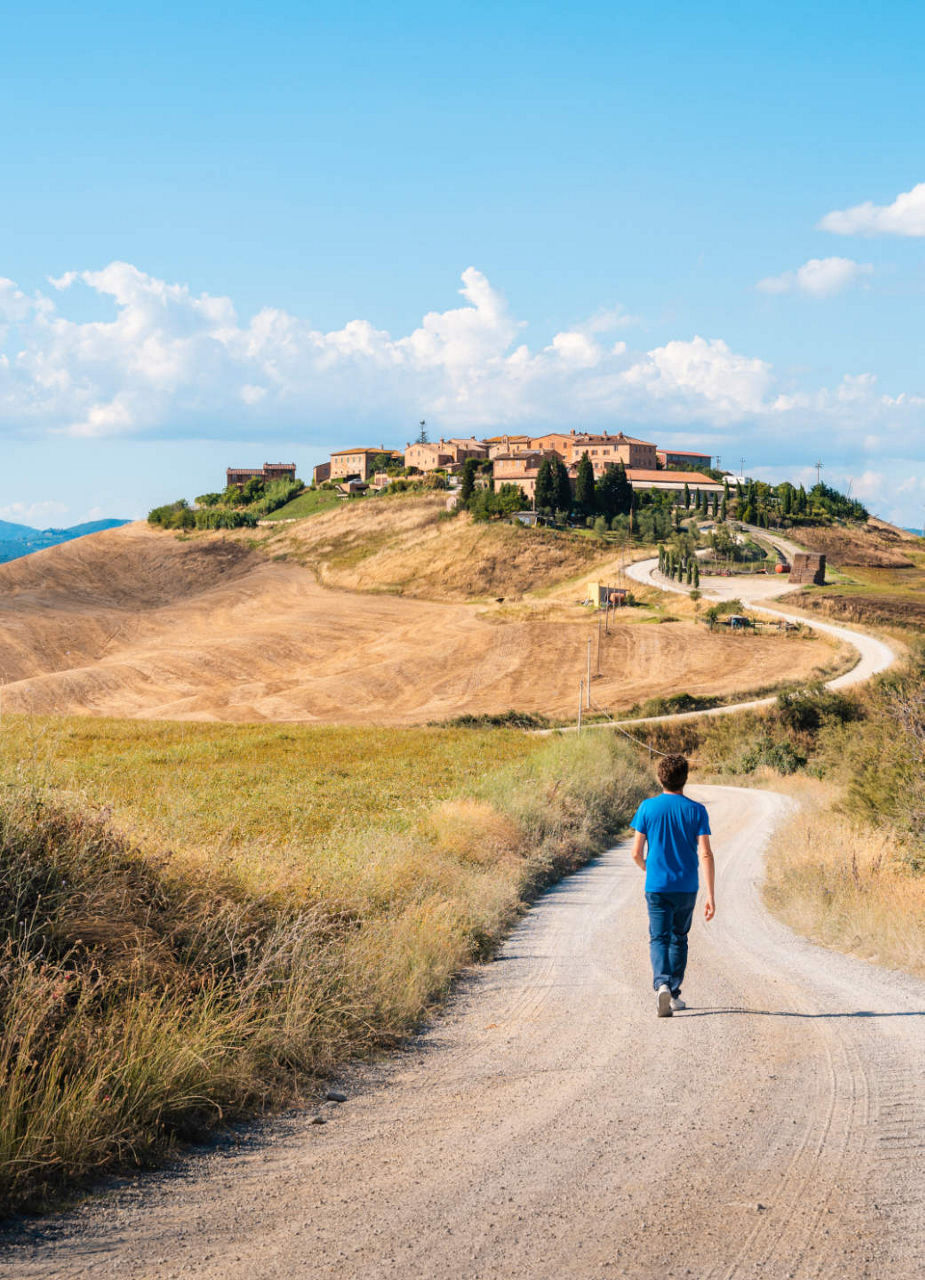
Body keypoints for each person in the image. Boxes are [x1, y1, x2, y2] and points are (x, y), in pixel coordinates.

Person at [629, 753, 715, 1017]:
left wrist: (649, 868)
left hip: (656, 886)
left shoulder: (646, 807)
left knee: (658, 937)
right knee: (679, 938)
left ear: (660, 778)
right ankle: (674, 993)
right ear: (685, 779)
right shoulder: (697, 810)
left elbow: (635, 852)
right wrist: (711, 895)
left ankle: (662, 984)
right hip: (686, 886)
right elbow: (706, 854)